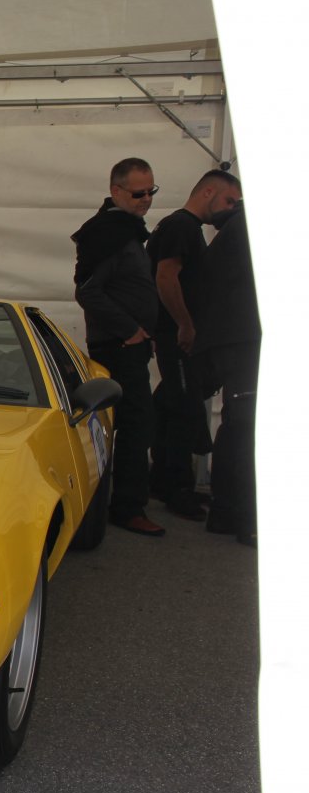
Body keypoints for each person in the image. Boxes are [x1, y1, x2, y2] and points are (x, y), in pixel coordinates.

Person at [72, 157, 163, 536]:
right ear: (116, 191)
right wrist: (129, 331)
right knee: (133, 423)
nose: (146, 199)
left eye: (151, 191)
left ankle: (125, 501)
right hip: (118, 345)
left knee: (132, 422)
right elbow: (88, 291)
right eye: (138, 193)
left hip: (129, 343)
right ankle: (126, 506)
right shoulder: (109, 234)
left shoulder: (125, 230)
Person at [146, 170, 243, 518]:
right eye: (229, 200)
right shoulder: (182, 227)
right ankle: (178, 489)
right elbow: (165, 277)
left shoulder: (184, 227)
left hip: (177, 334)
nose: (231, 208)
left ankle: (161, 479)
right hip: (177, 336)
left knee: (172, 404)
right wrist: (184, 324)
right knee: (185, 411)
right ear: (208, 192)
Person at [194, 196, 257, 546]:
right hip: (243, 339)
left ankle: (227, 512)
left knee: (238, 423)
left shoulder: (236, 226)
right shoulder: (249, 227)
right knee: (246, 426)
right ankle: (246, 518)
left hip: (234, 339)